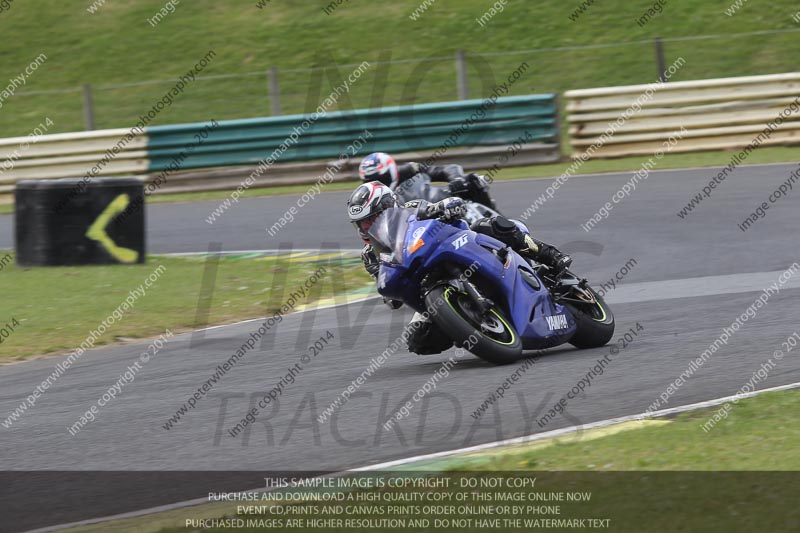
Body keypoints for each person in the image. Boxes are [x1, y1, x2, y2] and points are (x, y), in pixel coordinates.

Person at [347, 181, 573, 354]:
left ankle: (550, 255)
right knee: (417, 340)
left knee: (488, 226)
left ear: (389, 206)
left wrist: (448, 206)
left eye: (373, 218)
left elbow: (444, 210)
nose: (369, 226)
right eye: (363, 223)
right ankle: (467, 325)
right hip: (425, 285)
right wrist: (390, 295)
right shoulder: (370, 256)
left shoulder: (411, 208)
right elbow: (390, 293)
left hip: (454, 249)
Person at [357, 152, 495, 210]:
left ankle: (507, 230)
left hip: (438, 206)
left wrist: (457, 180)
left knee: (473, 184)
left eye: (380, 178)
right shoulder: (371, 201)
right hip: (411, 229)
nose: (377, 183)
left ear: (391, 171)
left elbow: (447, 169)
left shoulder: (410, 170)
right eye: (369, 181)